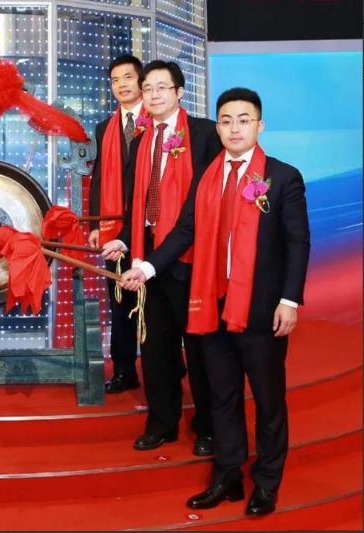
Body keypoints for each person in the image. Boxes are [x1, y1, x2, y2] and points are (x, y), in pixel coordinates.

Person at [122, 87, 310, 516]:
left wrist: (289, 300)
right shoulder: (207, 174)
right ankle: (227, 475)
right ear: (218, 127)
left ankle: (267, 482)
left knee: (268, 401)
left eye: (244, 120)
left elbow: (297, 243)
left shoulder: (282, 177)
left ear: (259, 126)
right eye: (226, 120)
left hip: (262, 310)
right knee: (222, 396)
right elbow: (185, 231)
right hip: (212, 304)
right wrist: (147, 268)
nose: (234, 128)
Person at [101, 60, 222, 456]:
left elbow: (204, 207)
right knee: (155, 349)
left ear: (180, 92)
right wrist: (123, 241)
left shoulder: (204, 134)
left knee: (200, 351)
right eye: (148, 88)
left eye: (162, 87)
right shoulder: (141, 141)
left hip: (191, 258)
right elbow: (136, 207)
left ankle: (208, 427)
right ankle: (162, 422)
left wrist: (155, 260)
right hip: (147, 255)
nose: (153, 95)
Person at [87, 54, 145, 394]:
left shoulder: (158, 122)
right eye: (115, 80)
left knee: (158, 303)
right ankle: (124, 370)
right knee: (120, 302)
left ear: (141, 81)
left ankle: (168, 364)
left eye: (127, 77)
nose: (121, 85)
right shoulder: (104, 128)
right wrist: (96, 224)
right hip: (114, 229)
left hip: (152, 226)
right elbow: (97, 178)